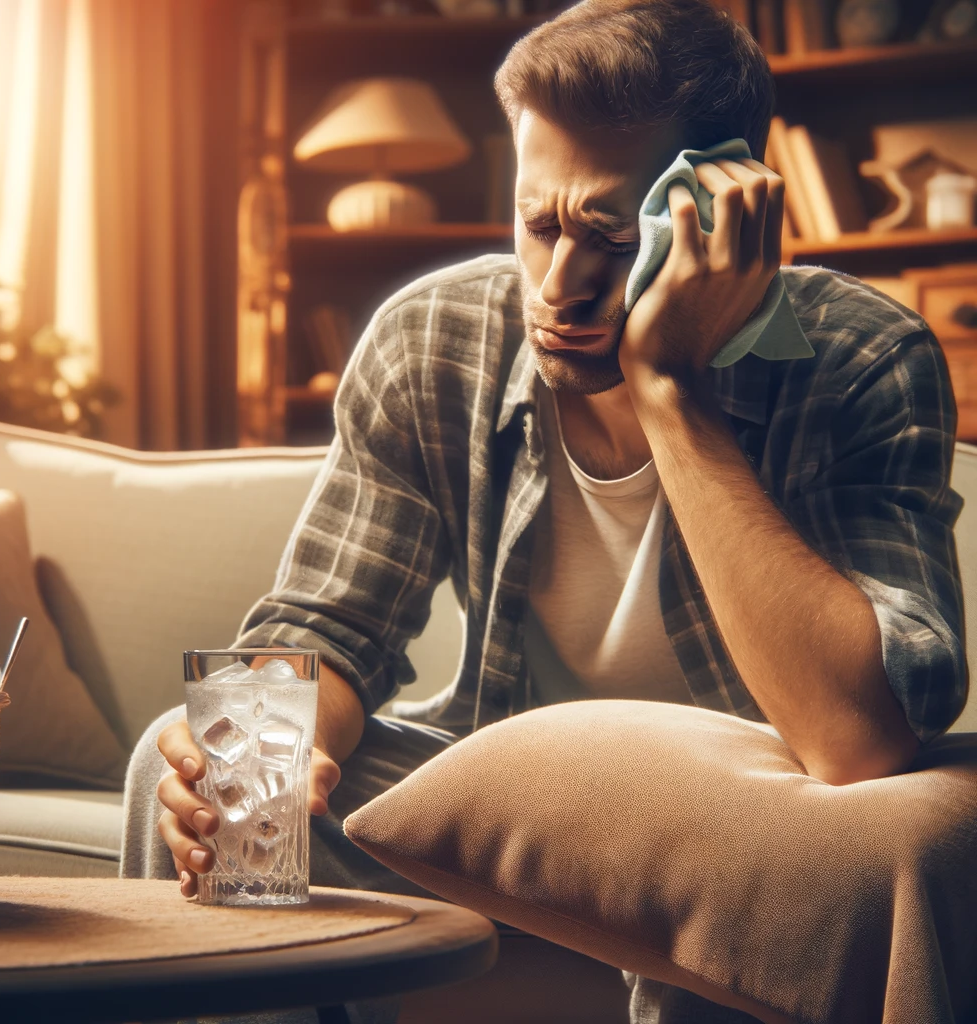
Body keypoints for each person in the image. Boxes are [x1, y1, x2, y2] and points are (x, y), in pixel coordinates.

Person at [121, 1, 967, 1021]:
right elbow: (329, 625)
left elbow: (856, 741)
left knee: (826, 861)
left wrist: (670, 390)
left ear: (720, 209)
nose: (560, 284)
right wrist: (271, 749)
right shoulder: (433, 337)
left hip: (749, 825)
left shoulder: (866, 360)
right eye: (539, 224)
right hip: (504, 804)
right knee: (193, 755)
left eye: (610, 239)